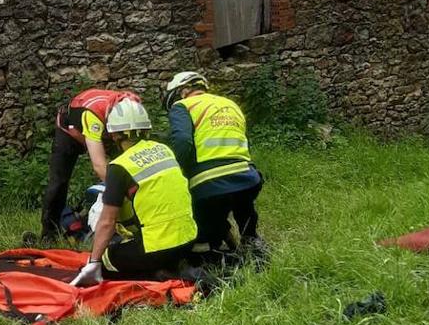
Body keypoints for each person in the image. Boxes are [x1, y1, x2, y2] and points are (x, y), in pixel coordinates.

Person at [70, 99, 199, 286]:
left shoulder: (120, 166)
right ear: (146, 129)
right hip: (188, 240)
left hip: (157, 248)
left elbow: (107, 222)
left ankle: (159, 275)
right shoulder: (164, 150)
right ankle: (171, 266)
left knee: (107, 261)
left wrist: (94, 261)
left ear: (114, 135)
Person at [163, 71, 266, 263]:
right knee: (244, 209)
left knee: (203, 235)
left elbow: (183, 142)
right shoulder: (230, 104)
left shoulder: (183, 106)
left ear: (184, 91)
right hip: (247, 178)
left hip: (209, 184)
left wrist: (180, 173)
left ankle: (211, 259)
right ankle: (252, 243)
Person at [40, 88, 141, 241]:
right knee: (59, 181)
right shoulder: (92, 115)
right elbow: (99, 166)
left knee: (123, 165)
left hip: (105, 127)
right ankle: (49, 232)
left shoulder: (132, 107)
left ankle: (129, 219)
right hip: (70, 132)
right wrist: (124, 190)